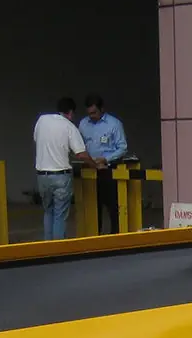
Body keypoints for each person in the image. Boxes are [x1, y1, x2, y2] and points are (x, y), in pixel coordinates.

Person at [34, 96, 99, 241]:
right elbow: (81, 154)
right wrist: (94, 165)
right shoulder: (69, 127)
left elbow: (38, 139)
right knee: (60, 214)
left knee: (48, 211)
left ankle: (47, 246)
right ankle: (58, 248)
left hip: (42, 176)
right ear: (70, 112)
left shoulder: (42, 120)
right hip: (60, 176)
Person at [78, 94, 129, 235]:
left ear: (102, 109)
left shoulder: (114, 124)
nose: (92, 116)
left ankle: (115, 236)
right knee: (93, 206)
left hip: (108, 169)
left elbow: (122, 148)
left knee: (113, 207)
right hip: (90, 170)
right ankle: (96, 236)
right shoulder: (83, 124)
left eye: (94, 113)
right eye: (89, 113)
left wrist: (106, 159)